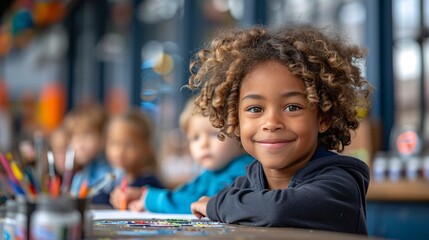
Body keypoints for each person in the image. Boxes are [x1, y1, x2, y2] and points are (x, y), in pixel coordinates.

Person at [187, 25, 373, 235]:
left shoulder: (339, 184)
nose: (272, 122)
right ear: (234, 120)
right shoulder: (246, 183)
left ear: (324, 118)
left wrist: (216, 205)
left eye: (292, 107)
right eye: (255, 109)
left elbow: (279, 209)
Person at [110, 98, 254, 213]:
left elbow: (202, 204)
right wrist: (142, 195)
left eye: (214, 134)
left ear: (237, 132)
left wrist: (150, 200)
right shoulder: (209, 174)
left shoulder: (244, 170)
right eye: (195, 138)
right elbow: (182, 194)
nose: (203, 145)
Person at [99, 109, 164, 204]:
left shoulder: (148, 186)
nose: (119, 152)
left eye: (129, 145)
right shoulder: (115, 180)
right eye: (114, 143)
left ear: (146, 147)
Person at [64, 103, 111, 203]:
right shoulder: (80, 176)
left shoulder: (113, 172)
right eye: (73, 137)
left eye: (86, 135)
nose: (79, 145)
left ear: (103, 137)